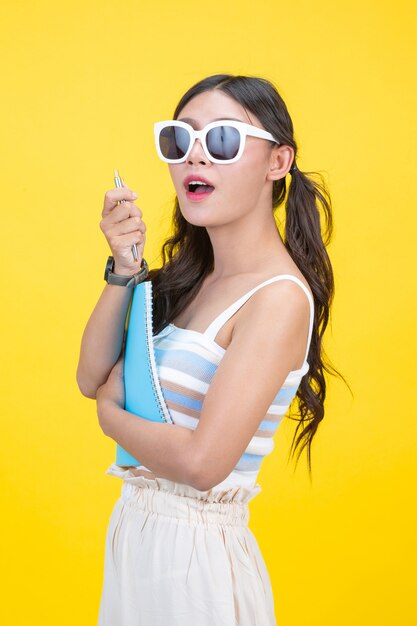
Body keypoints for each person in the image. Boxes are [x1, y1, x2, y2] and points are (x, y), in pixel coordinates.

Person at [77, 73, 342, 626]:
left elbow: (203, 464)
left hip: (194, 568)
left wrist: (110, 415)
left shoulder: (278, 299)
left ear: (278, 162)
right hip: (138, 542)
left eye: (222, 139)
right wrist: (125, 268)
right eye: (180, 139)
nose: (196, 156)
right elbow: (91, 374)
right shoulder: (192, 279)